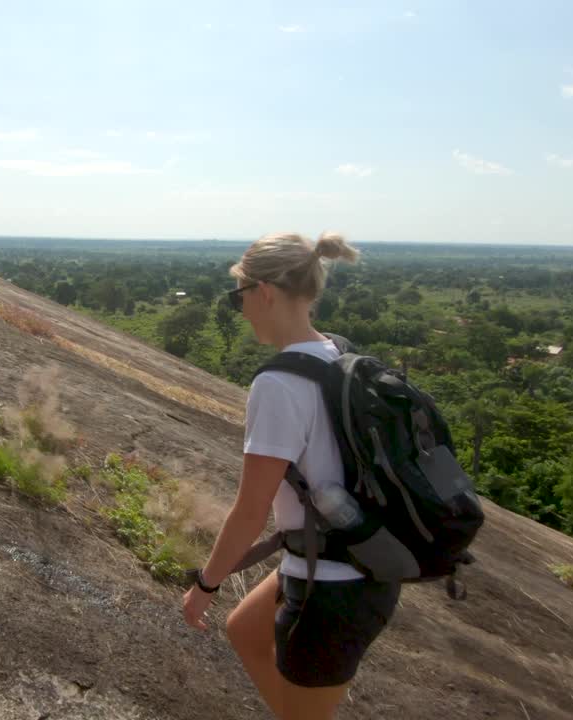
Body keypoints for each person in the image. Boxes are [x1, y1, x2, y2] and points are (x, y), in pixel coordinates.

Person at [181, 231, 401, 719]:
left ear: (263, 292)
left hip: (334, 590)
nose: (240, 310)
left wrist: (205, 585)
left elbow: (250, 510)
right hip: (352, 565)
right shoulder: (338, 354)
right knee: (244, 631)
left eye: (239, 296)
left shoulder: (278, 384)